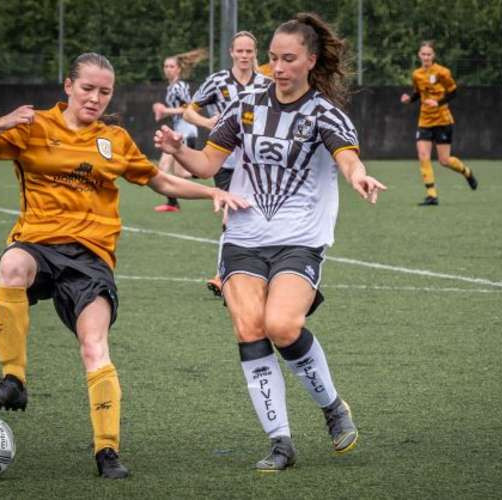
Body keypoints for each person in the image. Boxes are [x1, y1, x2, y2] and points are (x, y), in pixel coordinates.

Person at [0, 52, 248, 479]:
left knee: (95, 348)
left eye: (104, 91)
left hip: (91, 259)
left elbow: (160, 180)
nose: (95, 98)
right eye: (88, 88)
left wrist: (212, 195)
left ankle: (106, 452)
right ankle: (13, 380)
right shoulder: (33, 126)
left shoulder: (114, 138)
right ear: (68, 86)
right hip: (38, 244)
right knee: (13, 266)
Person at [155, 13, 386, 471]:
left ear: (310, 61)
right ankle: (280, 441)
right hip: (243, 234)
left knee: (282, 325)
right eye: (273, 58)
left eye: (288, 59)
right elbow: (206, 164)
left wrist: (359, 177)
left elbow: (347, 158)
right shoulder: (244, 105)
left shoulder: (324, 112)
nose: (277, 67)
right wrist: (178, 149)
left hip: (299, 239)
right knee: (249, 328)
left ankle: (332, 407)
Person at [183, 31, 271, 297]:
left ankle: (255, 271)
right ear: (231, 53)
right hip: (225, 160)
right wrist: (208, 123)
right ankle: (223, 275)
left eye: (249, 51)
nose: (244, 56)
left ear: (255, 54)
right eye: (239, 51)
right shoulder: (217, 81)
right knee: (231, 216)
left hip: (257, 162)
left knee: (259, 216)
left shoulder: (266, 84)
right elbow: (189, 111)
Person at [400, 40, 477, 206]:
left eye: (429, 54)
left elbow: (453, 92)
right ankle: (432, 195)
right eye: (423, 54)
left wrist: (439, 103)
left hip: (443, 119)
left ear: (433, 56)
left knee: (444, 160)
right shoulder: (417, 74)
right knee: (423, 156)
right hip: (425, 121)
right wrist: (409, 99)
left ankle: (467, 172)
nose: (426, 57)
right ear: (419, 55)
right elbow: (418, 93)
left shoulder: (443, 72)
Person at [151, 49, 206, 212]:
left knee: (163, 167)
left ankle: (211, 169)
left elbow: (189, 108)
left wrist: (165, 110)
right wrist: (161, 112)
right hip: (180, 131)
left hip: (185, 131)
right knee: (181, 174)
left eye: (171, 66)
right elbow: (176, 110)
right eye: (166, 66)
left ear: (178, 69)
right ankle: (174, 202)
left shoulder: (179, 86)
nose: (168, 69)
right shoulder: (171, 87)